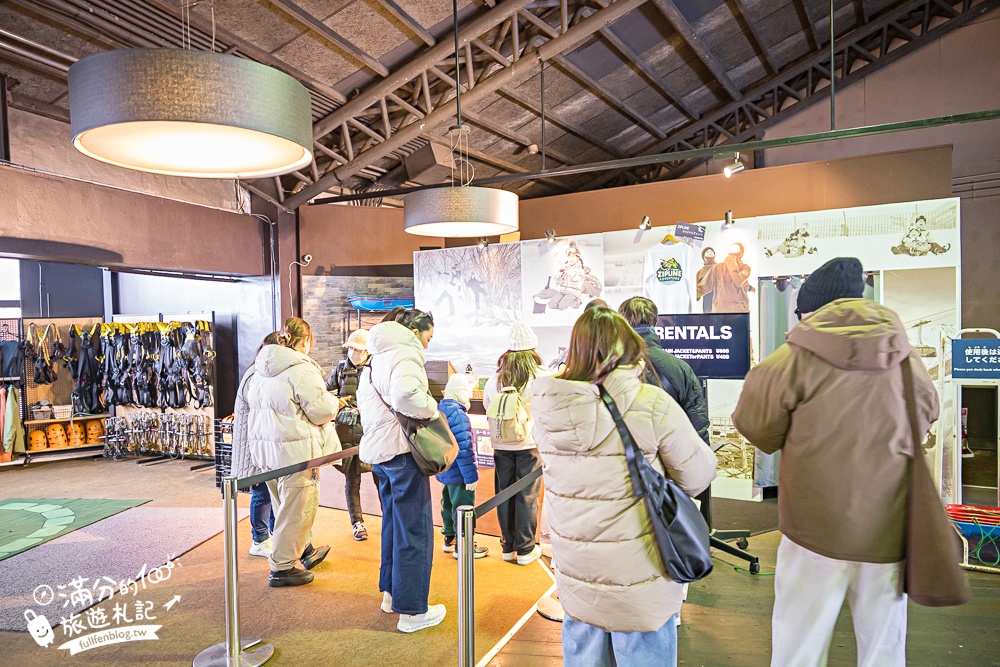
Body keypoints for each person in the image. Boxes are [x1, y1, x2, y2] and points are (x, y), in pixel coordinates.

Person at [732, 257, 939, 667]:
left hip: (814, 530)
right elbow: (927, 410)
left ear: (812, 308)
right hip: (887, 528)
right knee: (883, 647)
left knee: (799, 646)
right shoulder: (903, 354)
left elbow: (756, 428)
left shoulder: (791, 359)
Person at [531, 307, 717, 666]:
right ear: (629, 349)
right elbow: (697, 475)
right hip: (639, 569)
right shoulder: (650, 403)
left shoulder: (547, 406)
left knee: (583, 648)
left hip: (576, 566)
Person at [356, 306, 446, 633]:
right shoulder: (405, 356)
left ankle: (392, 596)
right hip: (403, 453)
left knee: (394, 525)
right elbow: (408, 395)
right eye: (428, 336)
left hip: (381, 454)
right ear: (415, 331)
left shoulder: (377, 357)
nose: (427, 344)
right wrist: (432, 410)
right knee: (415, 531)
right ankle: (412, 611)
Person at [245, 317, 340, 588]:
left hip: (266, 451)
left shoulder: (260, 368)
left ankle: (297, 553)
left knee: (282, 506)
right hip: (295, 453)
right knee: (297, 509)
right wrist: (334, 401)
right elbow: (321, 410)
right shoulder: (301, 369)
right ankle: (282, 567)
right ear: (306, 341)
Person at [483, 321, 547, 565]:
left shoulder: (496, 377)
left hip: (501, 445)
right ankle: (526, 550)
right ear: (533, 349)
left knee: (504, 495)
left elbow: (489, 407)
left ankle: (508, 547)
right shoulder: (540, 376)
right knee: (527, 497)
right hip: (529, 445)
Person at [618, 296, 710, 444]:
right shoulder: (681, 368)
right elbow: (697, 425)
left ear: (622, 324)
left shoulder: (609, 367)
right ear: (654, 322)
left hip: (625, 459)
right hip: (668, 455)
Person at [326, 329, 373, 541]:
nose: (355, 352)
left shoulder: (374, 369)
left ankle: (390, 519)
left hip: (370, 431)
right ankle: (357, 522)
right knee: (352, 481)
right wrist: (339, 402)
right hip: (346, 432)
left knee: (382, 477)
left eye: (359, 349)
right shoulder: (340, 370)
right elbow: (325, 392)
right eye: (352, 348)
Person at [435, 374, 488, 559]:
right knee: (464, 507)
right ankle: (464, 546)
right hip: (459, 472)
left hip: (445, 469)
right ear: (461, 394)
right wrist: (471, 476)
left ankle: (449, 539)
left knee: (447, 504)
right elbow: (464, 448)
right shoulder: (458, 414)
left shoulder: (439, 409)